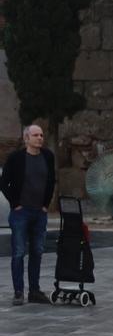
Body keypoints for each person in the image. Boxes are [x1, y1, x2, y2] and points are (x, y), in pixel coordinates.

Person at [1, 125, 55, 306]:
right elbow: (3, 183)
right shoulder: (16, 158)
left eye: (41, 135)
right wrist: (14, 203)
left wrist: (46, 205)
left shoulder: (47, 156)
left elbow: (51, 181)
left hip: (39, 213)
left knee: (37, 251)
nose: (40, 138)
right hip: (21, 213)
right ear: (26, 138)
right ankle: (18, 291)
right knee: (18, 252)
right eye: (35, 135)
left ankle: (34, 290)